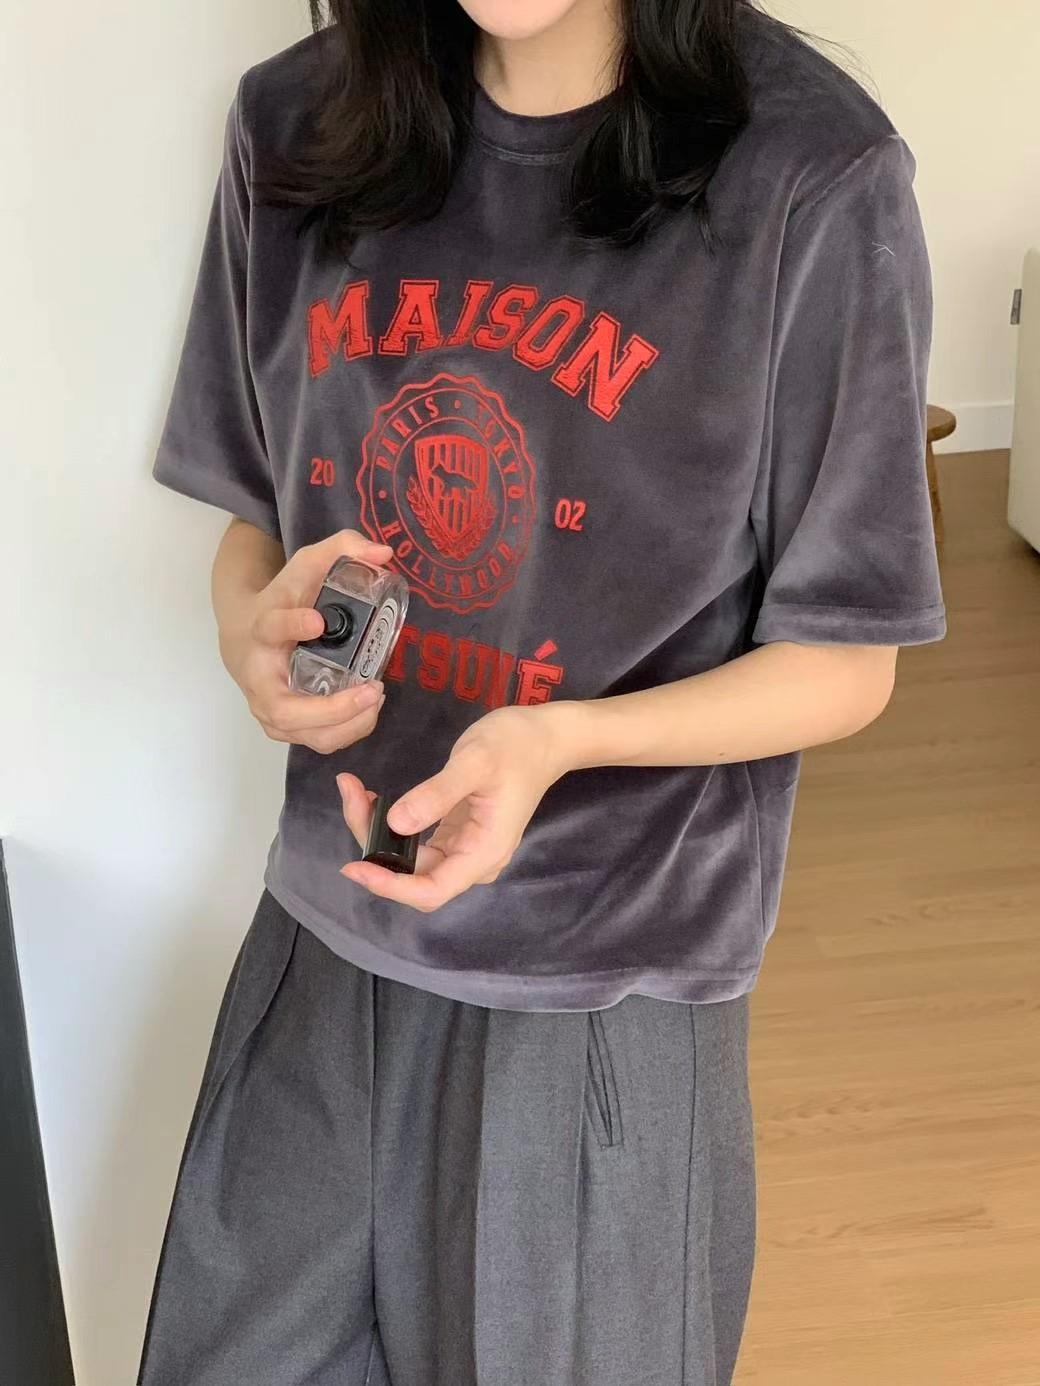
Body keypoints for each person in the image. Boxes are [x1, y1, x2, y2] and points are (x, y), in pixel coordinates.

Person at [137, 1, 947, 1382]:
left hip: (602, 987)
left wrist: (560, 741)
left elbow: (845, 656)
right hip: (324, 938)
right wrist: (249, 632)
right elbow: (254, 522)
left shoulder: (813, 174)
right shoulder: (296, 123)